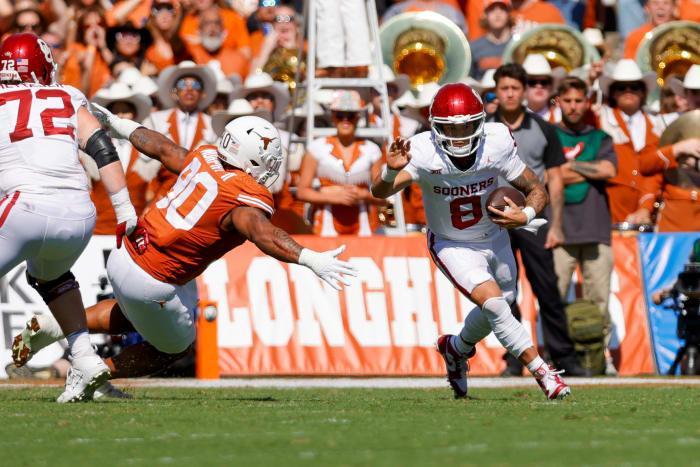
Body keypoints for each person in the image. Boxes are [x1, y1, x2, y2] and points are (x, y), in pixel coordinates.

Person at [13, 113, 357, 391]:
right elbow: (261, 232)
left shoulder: (207, 156)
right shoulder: (245, 196)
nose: (270, 166)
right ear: (249, 156)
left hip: (126, 253)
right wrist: (310, 258)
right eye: (267, 159)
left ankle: (54, 326)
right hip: (154, 277)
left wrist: (118, 125)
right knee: (174, 348)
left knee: (135, 313)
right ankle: (96, 371)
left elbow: (162, 148)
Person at [371, 83, 570, 400]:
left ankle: (456, 348)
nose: (460, 135)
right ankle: (544, 374)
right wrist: (389, 172)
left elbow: (537, 189)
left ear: (480, 121)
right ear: (436, 127)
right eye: (452, 128)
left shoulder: (497, 142)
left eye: (467, 125)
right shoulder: (422, 151)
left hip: (495, 237)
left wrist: (527, 215)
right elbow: (379, 193)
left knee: (499, 306)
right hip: (453, 244)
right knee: (495, 305)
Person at [1, 33, 147, 402]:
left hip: (24, 206)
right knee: (51, 277)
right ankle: (84, 358)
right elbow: (101, 147)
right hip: (79, 215)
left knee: (48, 274)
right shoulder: (67, 95)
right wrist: (125, 210)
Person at [487, 63, 589, 377]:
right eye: (503, 88)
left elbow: (555, 181)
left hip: (532, 220)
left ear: (524, 91)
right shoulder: (484, 127)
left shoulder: (543, 129)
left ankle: (565, 358)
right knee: (504, 293)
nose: (509, 94)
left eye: (515, 88)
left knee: (548, 290)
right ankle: (515, 358)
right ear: (497, 91)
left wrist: (555, 224)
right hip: (493, 221)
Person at [553, 76, 619, 372]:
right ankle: (558, 358)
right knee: (553, 299)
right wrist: (585, 171)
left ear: (587, 102)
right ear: (558, 102)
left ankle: (599, 358)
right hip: (557, 231)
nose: (574, 106)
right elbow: (542, 176)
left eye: (579, 100)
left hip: (595, 228)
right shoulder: (548, 135)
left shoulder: (600, 138)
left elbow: (608, 169)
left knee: (599, 302)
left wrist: (565, 169)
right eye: (567, 100)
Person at [296, 90, 386, 236]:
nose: (345, 120)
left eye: (351, 115)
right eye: (340, 115)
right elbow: (302, 191)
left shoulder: (372, 150)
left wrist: (363, 194)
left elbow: (383, 197)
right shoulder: (316, 148)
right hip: (325, 225)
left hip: (363, 226)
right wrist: (332, 196)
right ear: (333, 117)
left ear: (358, 117)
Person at [144, 61, 217, 205]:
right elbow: (146, 166)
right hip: (161, 196)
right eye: (183, 85)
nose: (189, 90)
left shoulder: (213, 125)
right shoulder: (155, 120)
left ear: (203, 94)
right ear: (174, 92)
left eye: (195, 86)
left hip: (200, 198)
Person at [469, 0, 513, 81]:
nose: (497, 14)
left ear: (509, 14)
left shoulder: (517, 45)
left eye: (502, 9)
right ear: (485, 15)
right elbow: (469, 79)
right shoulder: (473, 47)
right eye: (492, 10)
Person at [523, 54, 566, 124]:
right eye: (532, 82)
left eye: (544, 82)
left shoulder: (561, 116)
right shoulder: (514, 116)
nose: (539, 86)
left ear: (551, 86)